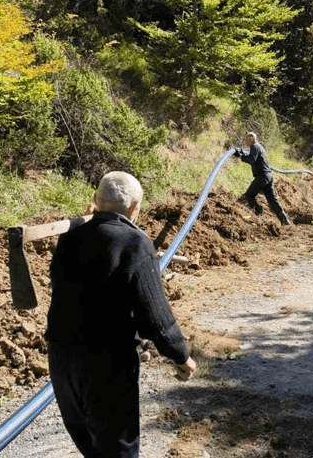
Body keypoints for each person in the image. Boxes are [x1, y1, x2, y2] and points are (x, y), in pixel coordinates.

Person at [46, 171, 196, 458]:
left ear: (95, 200)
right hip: (106, 365)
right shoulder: (134, 242)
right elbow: (155, 315)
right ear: (134, 208)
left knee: (90, 445)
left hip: (61, 359)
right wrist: (180, 355)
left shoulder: (70, 237)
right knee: (117, 450)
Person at [234, 132, 292, 225]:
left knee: (249, 195)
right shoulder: (259, 146)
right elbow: (252, 156)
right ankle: (285, 220)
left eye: (246, 139)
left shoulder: (254, 147)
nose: (245, 141)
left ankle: (258, 212)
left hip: (262, 176)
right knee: (272, 199)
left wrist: (241, 156)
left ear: (250, 140)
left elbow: (252, 160)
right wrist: (242, 151)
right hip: (268, 176)